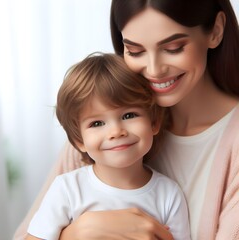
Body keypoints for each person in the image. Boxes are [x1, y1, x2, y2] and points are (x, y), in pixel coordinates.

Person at [14, 0, 239, 239]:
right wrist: (77, 232)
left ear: (215, 31)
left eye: (173, 47)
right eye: (135, 51)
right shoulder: (98, 129)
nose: (153, 70)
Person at [25, 52, 190, 240]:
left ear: (153, 122)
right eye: (97, 123)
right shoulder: (68, 189)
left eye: (129, 115)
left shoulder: (168, 195)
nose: (116, 131)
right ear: (79, 140)